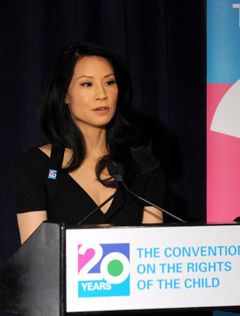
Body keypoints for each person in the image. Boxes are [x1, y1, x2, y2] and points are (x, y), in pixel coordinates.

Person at [13, 42, 164, 244]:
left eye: (109, 82)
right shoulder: (37, 167)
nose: (102, 95)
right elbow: (37, 259)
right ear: (64, 95)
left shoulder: (143, 166)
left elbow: (152, 254)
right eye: (87, 84)